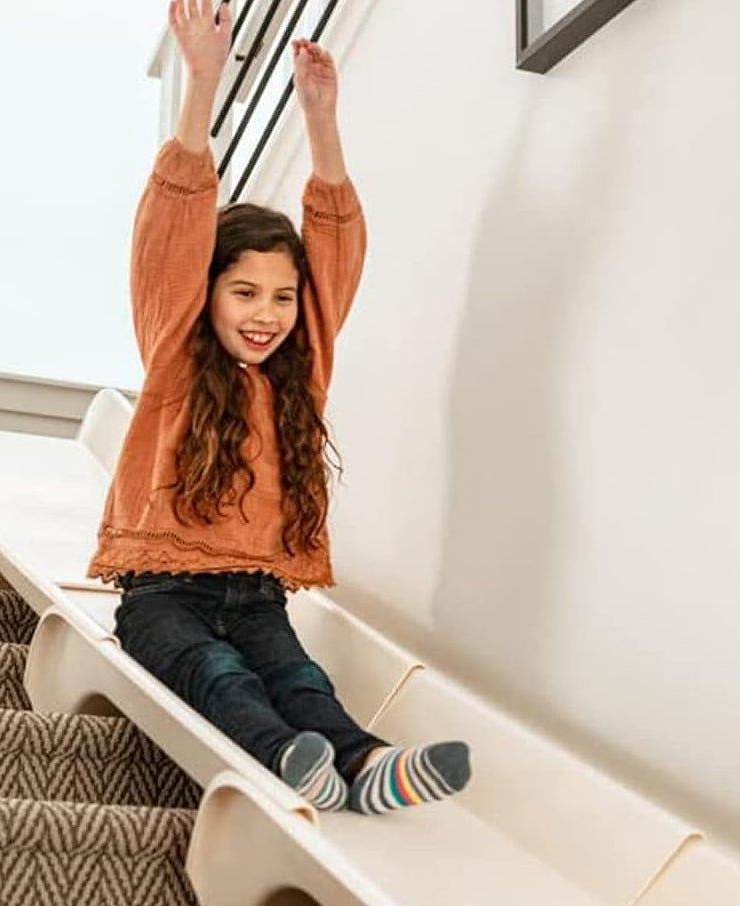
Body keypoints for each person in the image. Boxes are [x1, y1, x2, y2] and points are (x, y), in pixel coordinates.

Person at [90, 0, 470, 815]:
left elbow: (335, 243)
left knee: (300, 678)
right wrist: (201, 84)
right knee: (221, 675)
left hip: (258, 593)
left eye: (282, 297)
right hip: (161, 598)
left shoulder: (300, 375)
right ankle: (285, 761)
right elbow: (172, 221)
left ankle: (366, 764)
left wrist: (322, 122)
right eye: (244, 292)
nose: (266, 314)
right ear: (205, 294)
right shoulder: (175, 355)